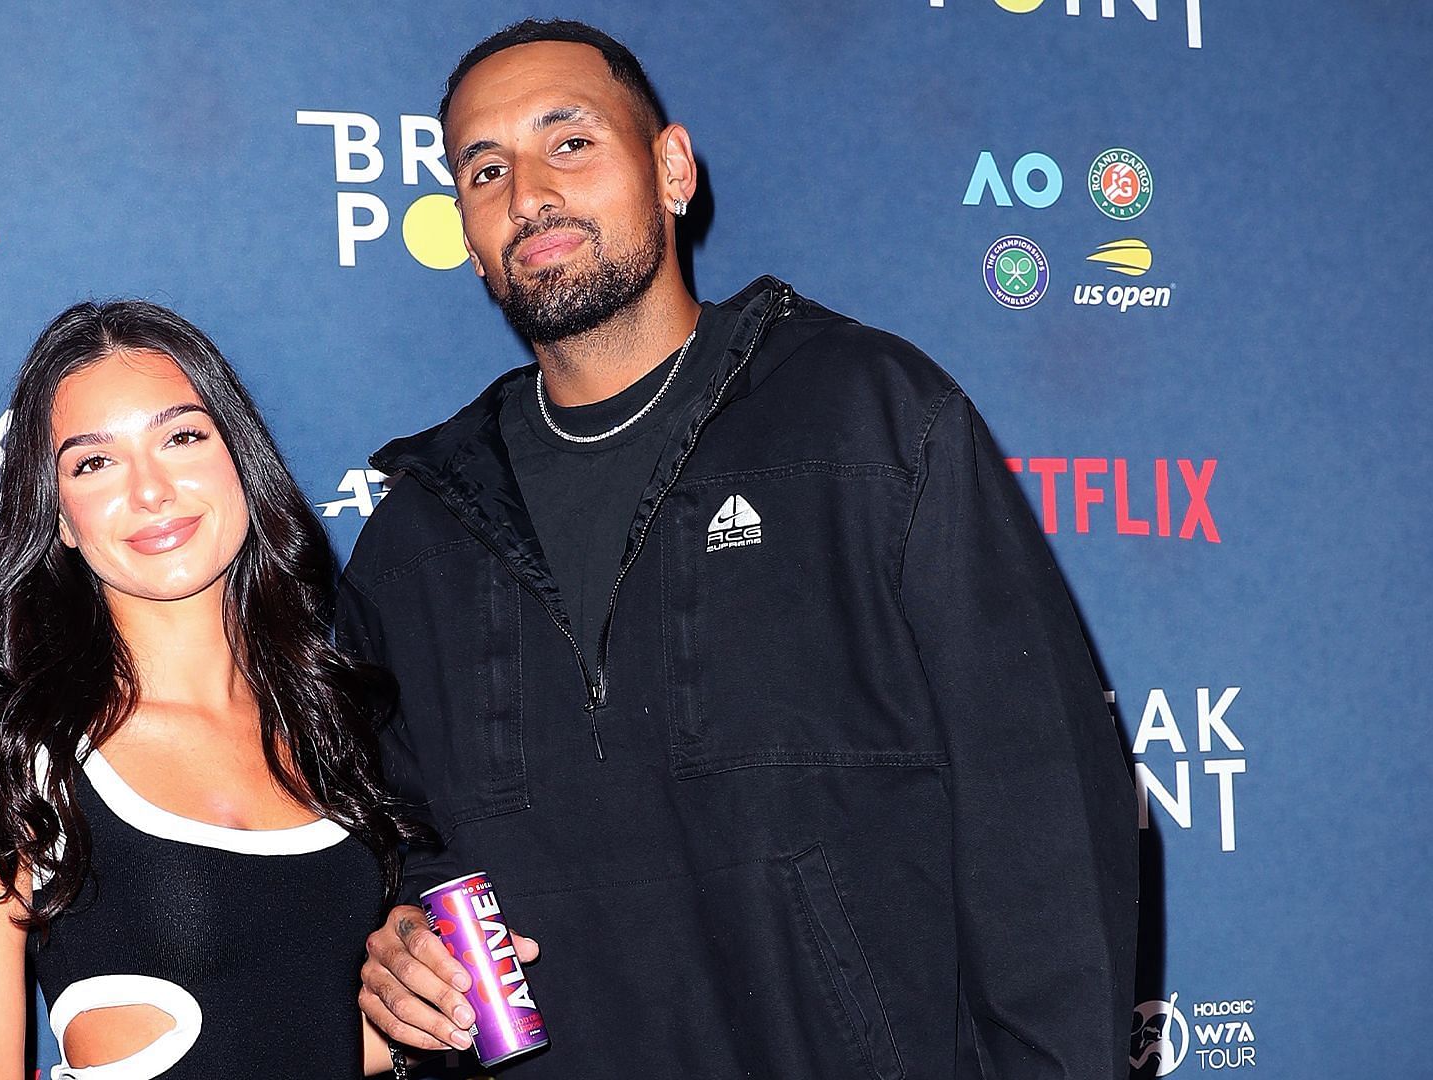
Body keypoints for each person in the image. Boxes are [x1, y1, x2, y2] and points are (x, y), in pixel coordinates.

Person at [340, 19, 1138, 1079]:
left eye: (569, 143)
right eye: (485, 171)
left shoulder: (870, 420)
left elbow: (1045, 822)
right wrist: (398, 934)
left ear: (670, 167)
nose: (529, 191)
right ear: (467, 230)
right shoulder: (418, 531)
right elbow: (387, 840)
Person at [0, 300, 419, 1079]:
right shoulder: (8, 764)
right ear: (62, 521)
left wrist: (443, 1016)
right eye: (94, 462)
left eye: (182, 436)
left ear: (239, 461)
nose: (150, 490)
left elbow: (301, 1026)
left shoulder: (341, 720)